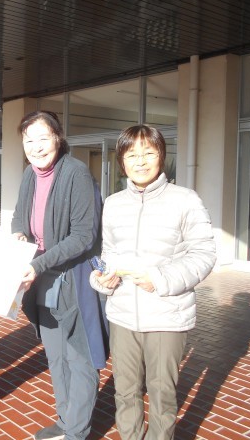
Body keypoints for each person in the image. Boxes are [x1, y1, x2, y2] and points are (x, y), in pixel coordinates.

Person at [90, 125, 216, 440]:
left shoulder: (185, 200)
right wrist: (103, 278)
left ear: (161, 155)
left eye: (148, 152)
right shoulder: (113, 203)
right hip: (122, 314)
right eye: (132, 154)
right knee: (125, 390)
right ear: (122, 161)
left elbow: (204, 254)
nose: (141, 161)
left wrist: (159, 279)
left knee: (162, 394)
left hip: (166, 314)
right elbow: (108, 253)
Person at [11, 111, 109, 440]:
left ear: (58, 137)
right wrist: (19, 236)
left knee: (80, 357)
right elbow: (19, 219)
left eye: (43, 138)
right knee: (56, 356)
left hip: (72, 279)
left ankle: (77, 432)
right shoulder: (29, 174)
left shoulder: (76, 173)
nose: (36, 147)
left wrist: (37, 264)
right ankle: (66, 420)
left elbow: (83, 237)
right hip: (41, 279)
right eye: (29, 140)